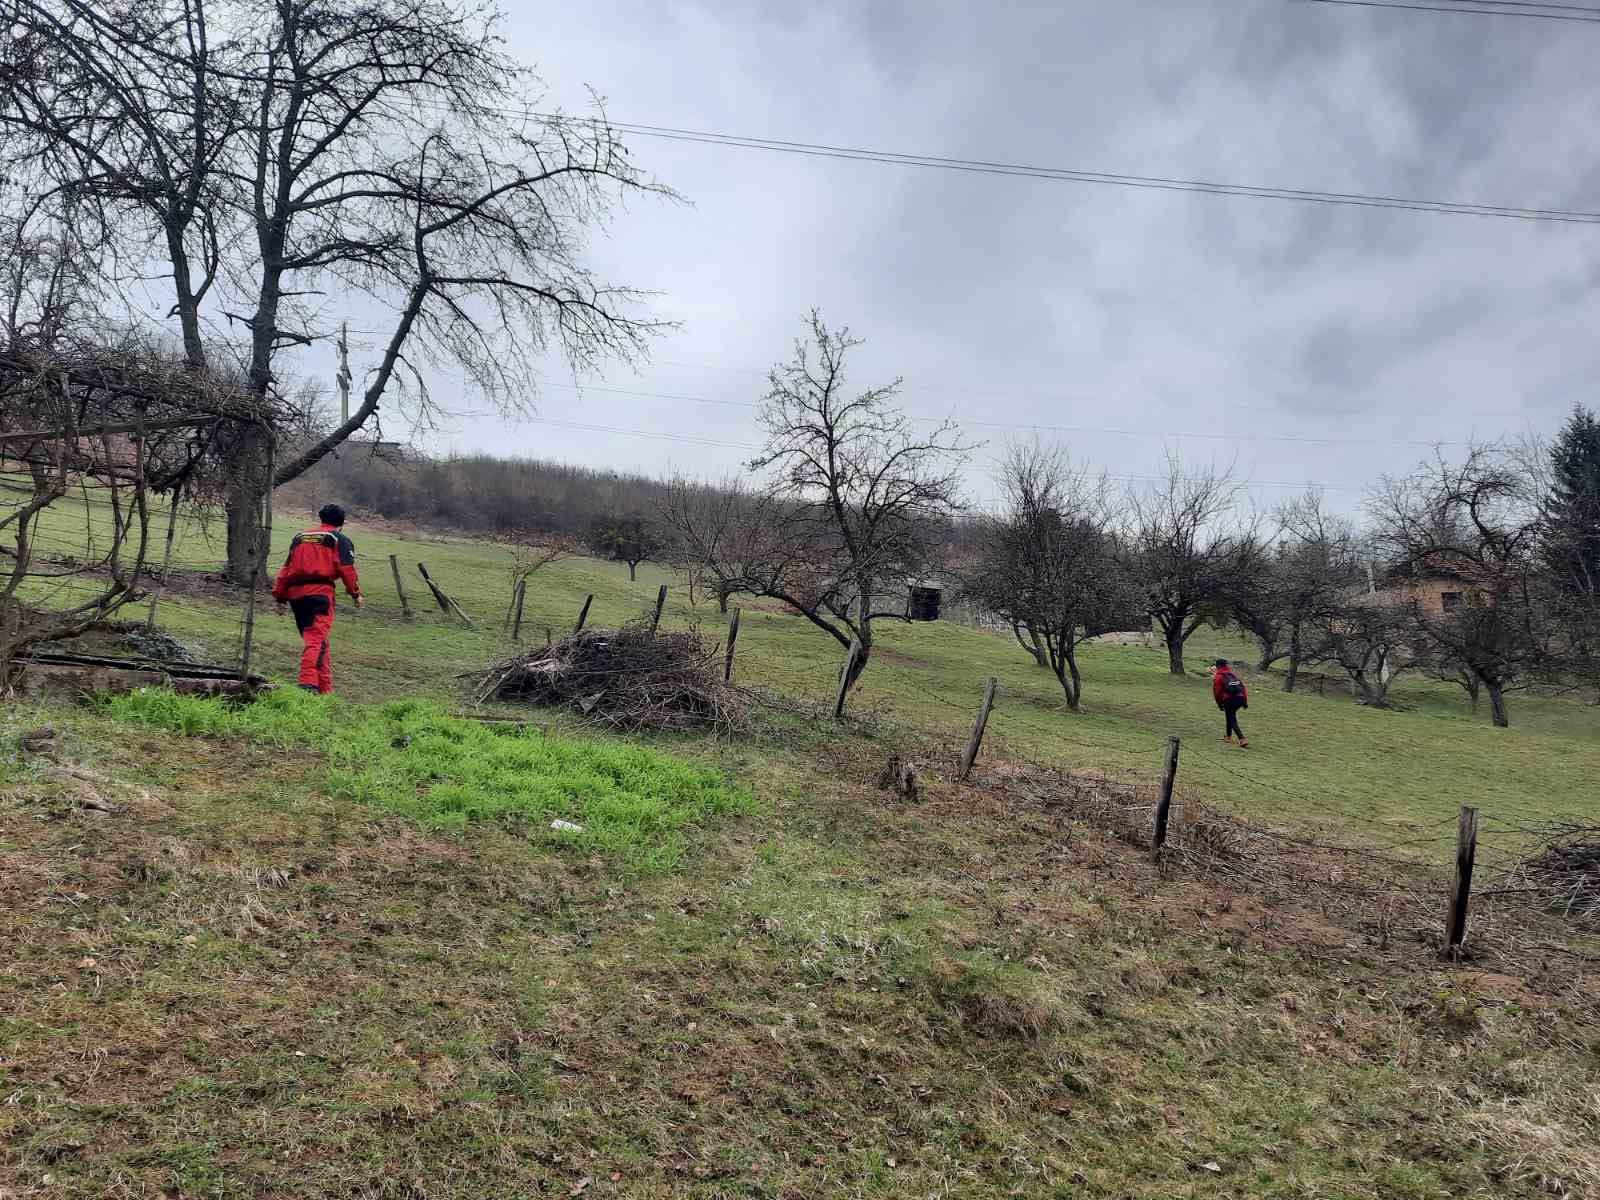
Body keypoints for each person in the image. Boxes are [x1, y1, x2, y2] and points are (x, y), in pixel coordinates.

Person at [272, 504, 363, 694]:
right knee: (316, 640)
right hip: (320, 593)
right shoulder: (338, 539)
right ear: (341, 523)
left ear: (321, 518)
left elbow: (286, 569)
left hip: (296, 596)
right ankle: (307, 686)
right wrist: (355, 594)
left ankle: (325, 692)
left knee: (320, 642)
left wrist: (280, 597)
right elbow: (347, 570)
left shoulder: (300, 538)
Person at [1212, 658, 1249, 747]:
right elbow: (1242, 687)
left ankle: (1242, 739)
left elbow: (1217, 692)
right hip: (1240, 698)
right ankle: (1228, 737)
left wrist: (1219, 704)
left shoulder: (1219, 676)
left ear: (1217, 666)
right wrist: (1245, 701)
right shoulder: (1232, 674)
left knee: (1231, 718)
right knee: (1229, 716)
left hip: (1230, 700)